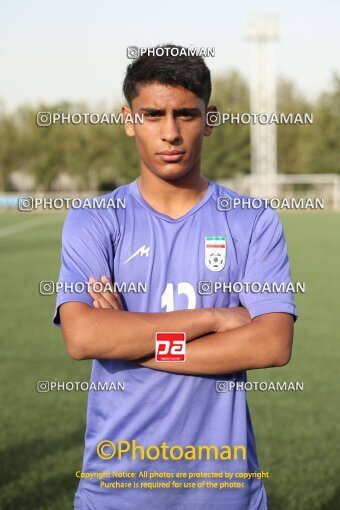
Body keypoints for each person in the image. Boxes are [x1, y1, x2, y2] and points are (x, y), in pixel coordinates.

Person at [53, 44, 297, 510]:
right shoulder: (95, 219)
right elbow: (84, 337)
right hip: (116, 494)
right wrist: (213, 316)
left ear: (209, 119)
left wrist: (133, 342)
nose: (170, 133)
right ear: (128, 120)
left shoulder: (252, 220)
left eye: (186, 114)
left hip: (224, 495)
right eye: (152, 115)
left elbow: (271, 344)